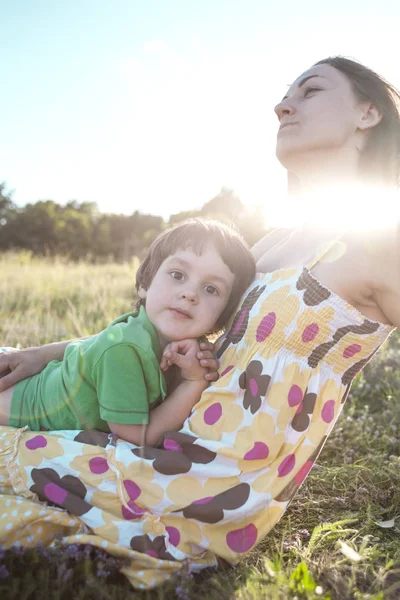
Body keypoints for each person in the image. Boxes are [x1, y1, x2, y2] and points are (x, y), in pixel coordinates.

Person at [0, 56, 399, 588]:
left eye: (311, 91)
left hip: (207, 483)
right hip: (162, 436)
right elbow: (162, 325)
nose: (284, 105)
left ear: (368, 113)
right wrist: (43, 353)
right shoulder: (281, 239)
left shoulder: (382, 239)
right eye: (286, 95)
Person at [0, 218, 256, 445]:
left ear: (221, 319)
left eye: (211, 289)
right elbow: (137, 436)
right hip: (16, 405)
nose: (189, 293)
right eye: (178, 274)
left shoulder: (181, 345)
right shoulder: (125, 348)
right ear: (145, 284)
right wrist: (194, 382)